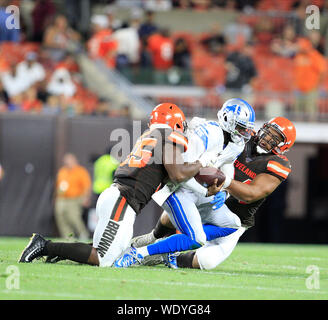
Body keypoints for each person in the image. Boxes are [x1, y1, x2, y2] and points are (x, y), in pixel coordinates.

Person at [18, 103, 218, 266]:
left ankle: (59, 253)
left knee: (110, 250)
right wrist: (203, 161)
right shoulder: (168, 136)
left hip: (118, 196)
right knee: (105, 259)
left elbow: (171, 175)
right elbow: (178, 174)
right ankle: (43, 246)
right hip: (123, 199)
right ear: (175, 123)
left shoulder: (151, 136)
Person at [132, 117, 296, 270]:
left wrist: (225, 182)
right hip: (210, 195)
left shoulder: (279, 164)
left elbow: (252, 194)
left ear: (283, 146)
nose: (267, 138)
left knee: (206, 261)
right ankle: (153, 237)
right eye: (268, 132)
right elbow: (219, 132)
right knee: (183, 203)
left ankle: (166, 256)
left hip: (235, 215)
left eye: (274, 138)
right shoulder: (243, 136)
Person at [114, 98, 256, 268]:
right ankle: (137, 253)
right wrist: (205, 191)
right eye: (240, 126)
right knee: (197, 239)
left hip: (200, 190)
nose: (243, 132)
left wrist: (224, 190)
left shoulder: (236, 144)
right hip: (177, 189)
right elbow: (181, 173)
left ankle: (174, 245)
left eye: (245, 128)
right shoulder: (210, 133)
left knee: (232, 224)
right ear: (227, 120)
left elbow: (227, 163)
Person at [54, 153, 91, 240]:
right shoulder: (62, 171)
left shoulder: (81, 171)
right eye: (66, 161)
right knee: (61, 217)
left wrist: (86, 197)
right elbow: (59, 185)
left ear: (75, 161)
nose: (68, 162)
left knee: (74, 217)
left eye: (70, 160)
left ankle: (83, 234)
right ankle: (68, 236)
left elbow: (87, 186)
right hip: (62, 198)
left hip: (74, 199)